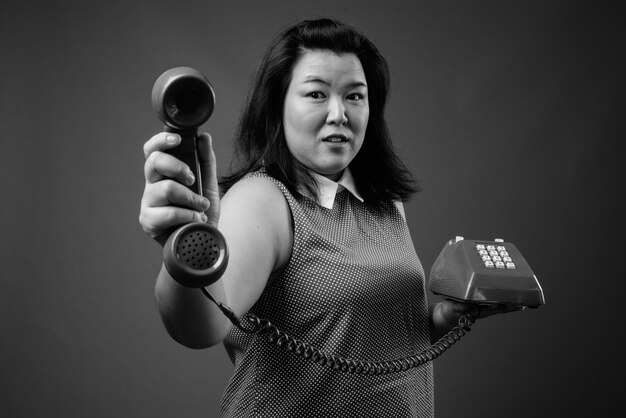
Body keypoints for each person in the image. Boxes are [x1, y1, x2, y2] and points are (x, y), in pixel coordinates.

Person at [140, 18, 512, 417]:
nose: (339, 113)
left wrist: (446, 316)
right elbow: (202, 328)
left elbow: (371, 330)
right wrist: (186, 253)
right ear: (278, 104)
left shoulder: (383, 201)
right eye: (316, 94)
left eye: (355, 96)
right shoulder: (263, 200)